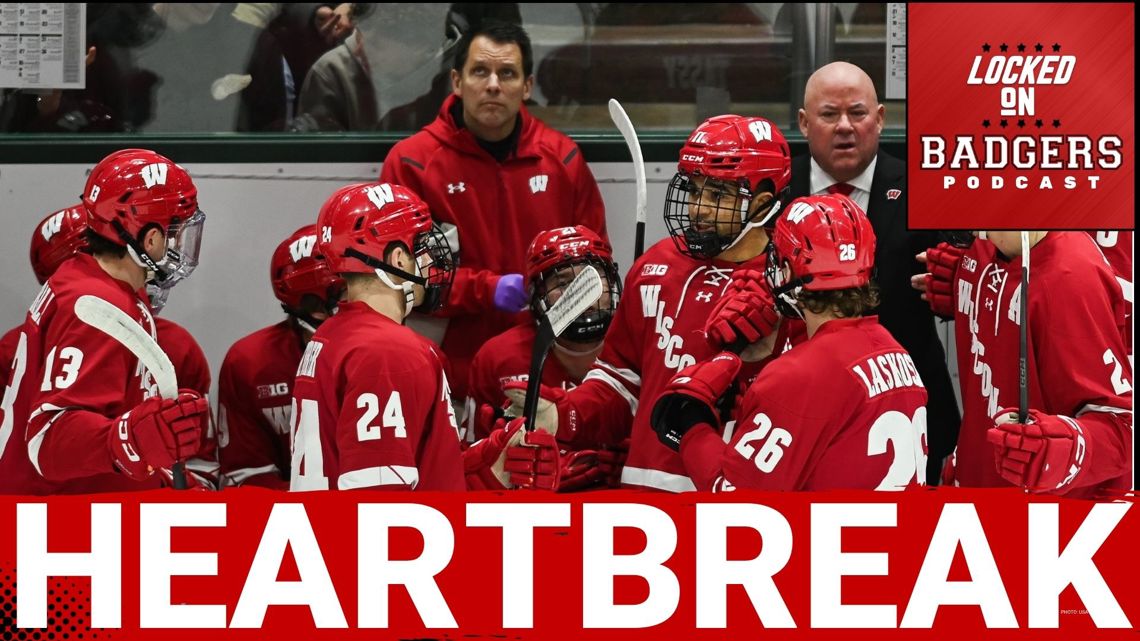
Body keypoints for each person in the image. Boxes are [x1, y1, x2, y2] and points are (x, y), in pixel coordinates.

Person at [494, 114, 803, 492]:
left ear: (762, 204)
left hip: (734, 499)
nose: (699, 208)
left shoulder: (792, 285)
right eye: (694, 190)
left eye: (718, 195)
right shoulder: (656, 266)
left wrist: (759, 360)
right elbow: (620, 382)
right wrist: (564, 415)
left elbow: (800, 413)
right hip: (641, 500)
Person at [379, 20, 607, 401]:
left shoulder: (563, 160)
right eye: (480, 71)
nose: (493, 85)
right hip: (448, 381)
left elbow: (596, 268)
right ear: (456, 81)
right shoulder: (411, 164)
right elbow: (398, 278)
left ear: (527, 86)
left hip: (545, 377)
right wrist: (486, 290)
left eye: (508, 74)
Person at [649, 194, 928, 490]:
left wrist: (692, 425)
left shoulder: (798, 375)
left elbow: (734, 498)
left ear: (788, 268)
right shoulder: (896, 351)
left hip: (834, 523)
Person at [0, 149, 211, 494]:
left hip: (75, 509)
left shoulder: (95, 279)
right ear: (150, 239)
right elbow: (49, 439)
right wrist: (131, 439)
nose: (179, 243)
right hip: (58, 517)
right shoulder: (94, 308)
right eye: (175, 230)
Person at [792, 60, 959, 484]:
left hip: (911, 405)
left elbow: (972, 274)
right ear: (804, 122)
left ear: (880, 118)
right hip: (797, 406)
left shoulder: (926, 187)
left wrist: (963, 284)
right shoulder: (776, 189)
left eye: (858, 113)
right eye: (829, 114)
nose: (844, 127)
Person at [918, 232, 1132, 497]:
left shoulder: (1071, 277)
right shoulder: (978, 251)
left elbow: (1122, 431)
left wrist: (1066, 451)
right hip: (975, 484)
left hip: (1048, 514)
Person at [289, 182, 464, 491]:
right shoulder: (388, 351)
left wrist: (488, 461)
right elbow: (378, 499)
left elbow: (425, 463)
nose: (430, 262)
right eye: (420, 248)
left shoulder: (333, 334)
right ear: (398, 259)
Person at [466, 225, 625, 491]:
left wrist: (637, 457)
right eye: (563, 283)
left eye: (592, 279)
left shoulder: (638, 349)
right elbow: (467, 457)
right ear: (537, 295)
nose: (582, 295)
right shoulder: (498, 357)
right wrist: (497, 455)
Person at [218, 224, 344, 488]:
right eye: (350, 289)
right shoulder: (252, 363)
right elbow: (248, 477)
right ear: (318, 308)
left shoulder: (397, 354)